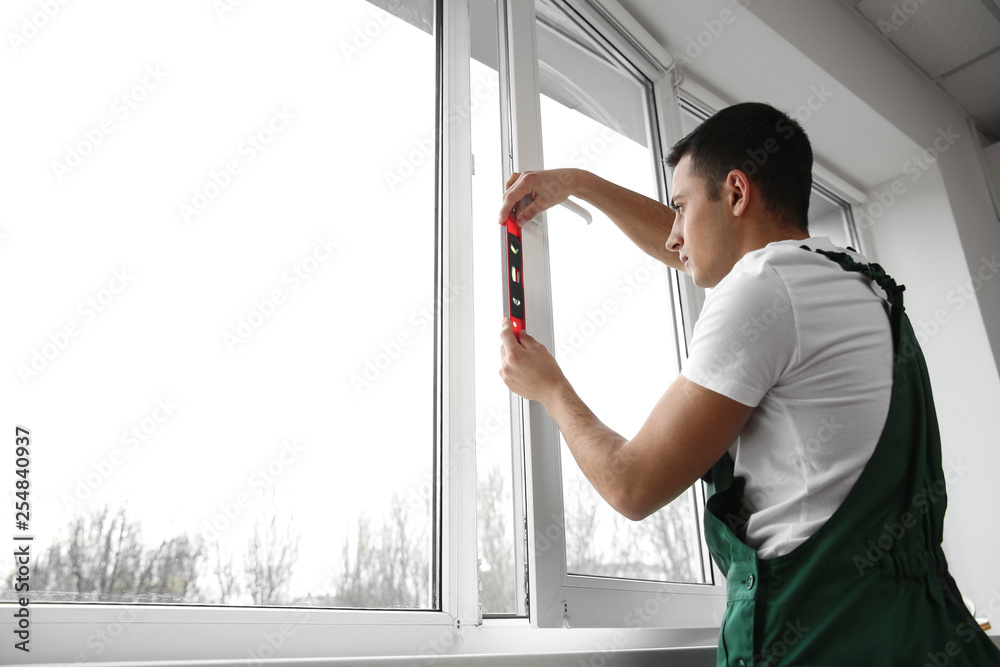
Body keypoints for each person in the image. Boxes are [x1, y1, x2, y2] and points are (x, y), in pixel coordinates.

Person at [497, 102, 1000, 665]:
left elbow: (631, 485)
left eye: (680, 207)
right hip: (925, 630)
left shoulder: (765, 287)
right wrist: (581, 184)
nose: (673, 235)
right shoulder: (854, 281)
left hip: (825, 640)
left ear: (737, 194)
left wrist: (550, 388)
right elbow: (687, 248)